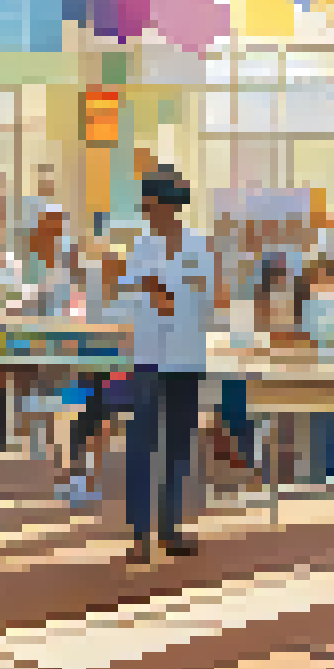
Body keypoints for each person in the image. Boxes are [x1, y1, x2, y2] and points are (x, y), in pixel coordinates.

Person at [123, 166, 216, 564]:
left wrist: (169, 291)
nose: (147, 213)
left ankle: (170, 526)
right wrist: (167, 291)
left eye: (152, 204)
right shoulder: (139, 246)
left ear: (169, 206)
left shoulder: (198, 245)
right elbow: (141, 291)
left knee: (178, 444)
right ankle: (140, 534)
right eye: (144, 206)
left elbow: (209, 295)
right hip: (147, 356)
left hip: (186, 355)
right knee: (141, 443)